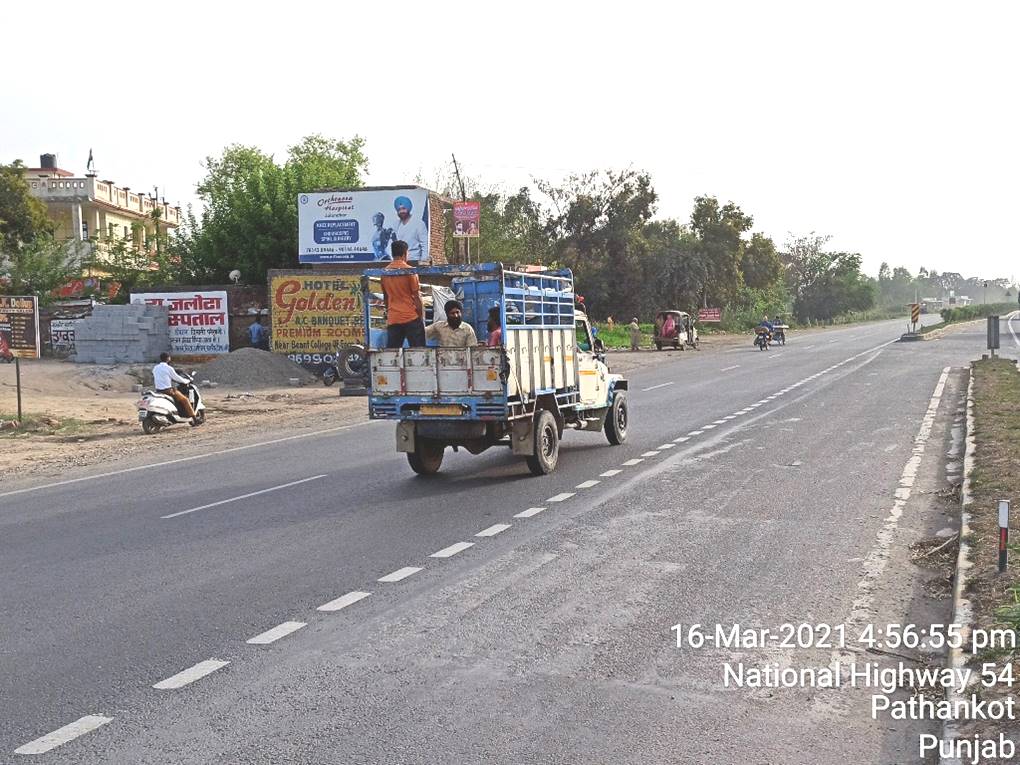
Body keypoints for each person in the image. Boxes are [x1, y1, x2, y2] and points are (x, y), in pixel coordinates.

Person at [382, 240, 425, 348]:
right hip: (410, 317)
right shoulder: (410, 271)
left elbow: (386, 297)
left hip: (393, 318)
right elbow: (416, 297)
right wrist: (420, 316)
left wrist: (390, 312)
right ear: (405, 253)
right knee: (419, 353)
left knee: (392, 355)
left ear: (392, 254)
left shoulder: (384, 273)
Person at [153, 352, 199, 425]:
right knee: (185, 400)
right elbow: (177, 378)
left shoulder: (155, 368)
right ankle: (194, 418)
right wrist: (186, 381)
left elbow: (163, 377)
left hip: (158, 390)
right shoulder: (169, 368)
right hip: (168, 391)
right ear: (168, 358)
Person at [393, 195, 429, 262]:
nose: (401, 211)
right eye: (399, 210)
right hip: (399, 261)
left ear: (408, 208)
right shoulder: (396, 224)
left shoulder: (419, 224)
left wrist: (423, 262)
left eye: (403, 208)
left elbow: (424, 245)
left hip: (414, 260)